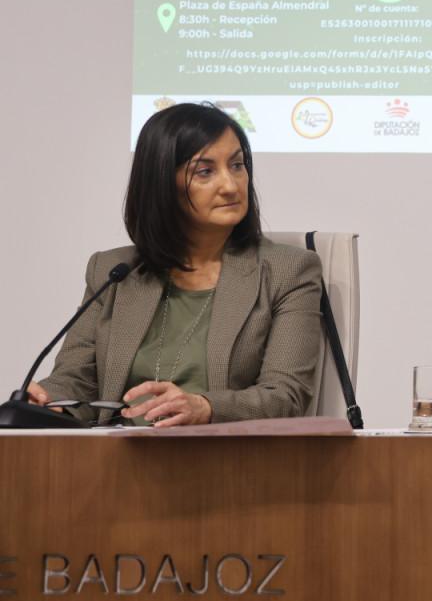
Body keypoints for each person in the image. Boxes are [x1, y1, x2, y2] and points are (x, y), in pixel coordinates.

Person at [28, 103, 323, 426]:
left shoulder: (288, 271)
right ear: (161, 183)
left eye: (237, 165)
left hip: (222, 453)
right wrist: (48, 401)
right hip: (115, 451)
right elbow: (76, 379)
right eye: (205, 171)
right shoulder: (113, 271)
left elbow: (286, 395)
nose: (230, 185)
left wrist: (205, 407)